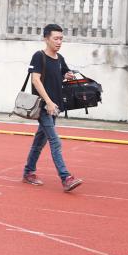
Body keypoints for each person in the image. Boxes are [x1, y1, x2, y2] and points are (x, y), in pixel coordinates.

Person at [22, 24, 84, 192]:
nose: (59, 42)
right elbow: (36, 80)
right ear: (46, 39)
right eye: (56, 38)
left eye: (61, 39)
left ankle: (28, 172)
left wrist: (67, 75)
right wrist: (48, 102)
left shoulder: (60, 58)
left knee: (39, 141)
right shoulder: (39, 56)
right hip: (44, 107)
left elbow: (63, 74)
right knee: (55, 141)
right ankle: (66, 178)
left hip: (55, 107)